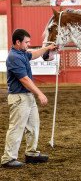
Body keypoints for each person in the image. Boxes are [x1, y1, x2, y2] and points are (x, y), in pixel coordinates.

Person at [1, 29, 57, 168]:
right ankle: (8, 159)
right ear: (18, 42)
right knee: (16, 128)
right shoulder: (14, 57)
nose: (29, 44)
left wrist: (47, 48)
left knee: (33, 126)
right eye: (26, 42)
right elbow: (25, 80)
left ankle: (31, 153)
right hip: (19, 98)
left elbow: (33, 54)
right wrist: (39, 93)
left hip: (26, 96)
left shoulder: (21, 53)